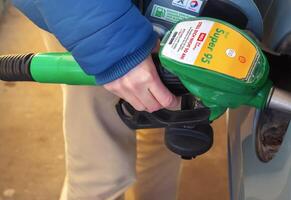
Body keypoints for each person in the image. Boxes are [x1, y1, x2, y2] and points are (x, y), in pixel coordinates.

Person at [13, 1, 182, 200]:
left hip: (177, 16)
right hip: (93, 21)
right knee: (102, 172)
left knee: (167, 133)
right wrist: (113, 43)